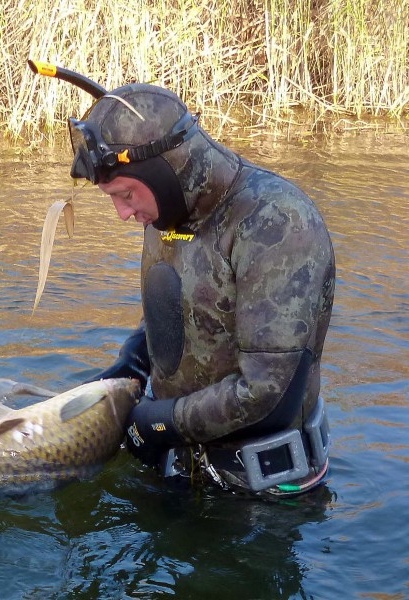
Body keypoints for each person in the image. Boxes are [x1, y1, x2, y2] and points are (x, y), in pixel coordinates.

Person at [47, 66, 335, 497]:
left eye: (126, 195)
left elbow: (268, 393)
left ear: (166, 171)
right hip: (181, 469)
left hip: (262, 498)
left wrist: (159, 423)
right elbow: (193, 315)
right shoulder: (168, 210)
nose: (122, 214)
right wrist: (133, 362)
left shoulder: (275, 223)